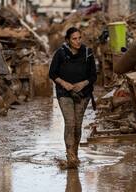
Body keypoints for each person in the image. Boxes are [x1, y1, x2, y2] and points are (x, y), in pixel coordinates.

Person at [49, 27, 97, 169]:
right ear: (68, 40)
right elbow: (52, 73)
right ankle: (70, 156)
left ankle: (74, 155)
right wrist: (65, 84)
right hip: (64, 94)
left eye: (79, 38)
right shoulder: (61, 53)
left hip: (83, 94)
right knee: (70, 123)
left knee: (77, 125)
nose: (77, 41)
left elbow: (93, 76)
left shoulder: (88, 53)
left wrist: (82, 84)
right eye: (74, 39)